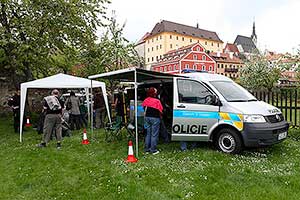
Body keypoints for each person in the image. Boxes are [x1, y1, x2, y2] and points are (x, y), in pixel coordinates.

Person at [142, 87, 163, 155]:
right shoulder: (157, 101)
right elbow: (160, 110)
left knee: (148, 134)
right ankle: (153, 150)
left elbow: (143, 107)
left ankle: (146, 149)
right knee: (154, 134)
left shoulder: (145, 100)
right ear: (154, 93)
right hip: (155, 118)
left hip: (147, 118)